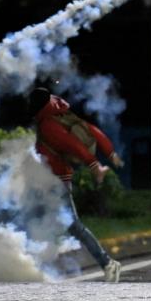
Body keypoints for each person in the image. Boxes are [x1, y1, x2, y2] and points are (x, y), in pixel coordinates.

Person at [28, 87, 124, 282]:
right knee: (40, 221)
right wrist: (110, 152)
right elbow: (92, 131)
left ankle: (107, 263)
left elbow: (72, 144)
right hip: (50, 182)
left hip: (55, 183)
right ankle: (32, 265)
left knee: (70, 225)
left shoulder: (48, 124)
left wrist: (94, 164)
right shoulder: (59, 115)